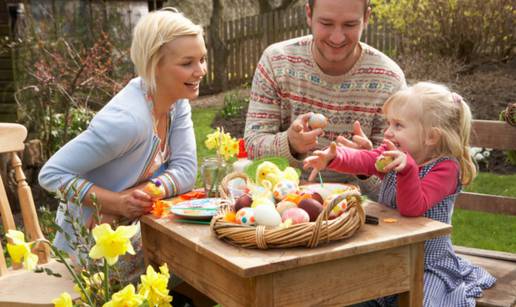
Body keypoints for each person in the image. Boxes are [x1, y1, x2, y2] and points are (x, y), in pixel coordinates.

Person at [303, 82, 496, 306]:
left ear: (431, 136)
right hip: (387, 255)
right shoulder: (393, 154)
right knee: (345, 293)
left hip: (426, 263)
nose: (388, 132)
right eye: (389, 123)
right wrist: (333, 157)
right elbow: (364, 160)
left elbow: (413, 207)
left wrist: (407, 170)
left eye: (398, 125)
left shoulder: (446, 168)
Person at [38, 7, 206, 263]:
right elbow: (51, 174)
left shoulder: (177, 102)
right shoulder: (127, 121)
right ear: (154, 65)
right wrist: (114, 203)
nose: (200, 70)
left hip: (132, 228)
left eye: (202, 59)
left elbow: (186, 171)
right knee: (195, 265)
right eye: (187, 63)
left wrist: (136, 196)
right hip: (91, 249)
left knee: (196, 260)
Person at [244, 0, 406, 196]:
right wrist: (290, 144)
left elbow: (397, 186)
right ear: (309, 14)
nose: (337, 37)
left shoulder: (389, 80)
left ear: (366, 18)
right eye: (326, 23)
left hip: (358, 212)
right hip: (283, 204)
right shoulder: (276, 62)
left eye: (350, 24)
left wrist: (365, 165)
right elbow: (253, 145)